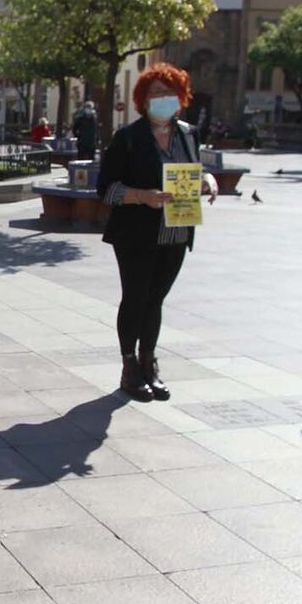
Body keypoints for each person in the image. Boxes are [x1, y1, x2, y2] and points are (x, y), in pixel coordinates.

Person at [97, 64, 217, 402]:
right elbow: (106, 189)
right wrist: (141, 197)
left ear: (181, 98)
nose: (162, 100)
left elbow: (192, 169)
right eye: (155, 94)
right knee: (136, 298)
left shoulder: (188, 133)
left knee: (156, 300)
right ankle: (129, 366)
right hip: (136, 233)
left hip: (176, 231)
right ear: (142, 99)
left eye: (169, 93)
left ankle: (149, 363)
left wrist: (206, 179)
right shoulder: (129, 138)